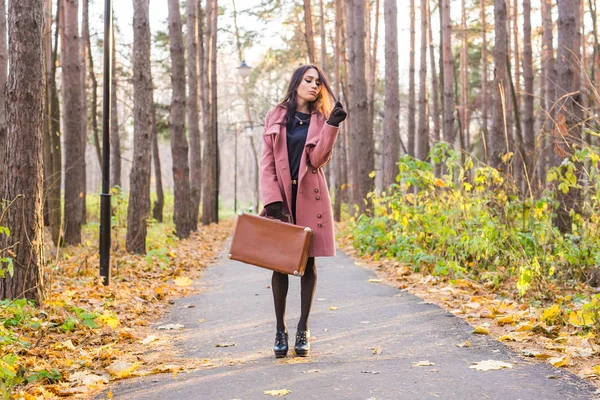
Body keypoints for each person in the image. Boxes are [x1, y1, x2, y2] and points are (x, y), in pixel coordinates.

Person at [259, 64, 347, 358]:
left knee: (308, 264)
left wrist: (332, 126)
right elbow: (267, 161)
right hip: (282, 197)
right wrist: (272, 199)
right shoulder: (276, 115)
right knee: (280, 263)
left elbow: (319, 159)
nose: (313, 86)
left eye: (318, 82)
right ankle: (280, 330)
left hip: (310, 197)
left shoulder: (321, 118)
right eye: (308, 80)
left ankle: (303, 329)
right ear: (296, 81)